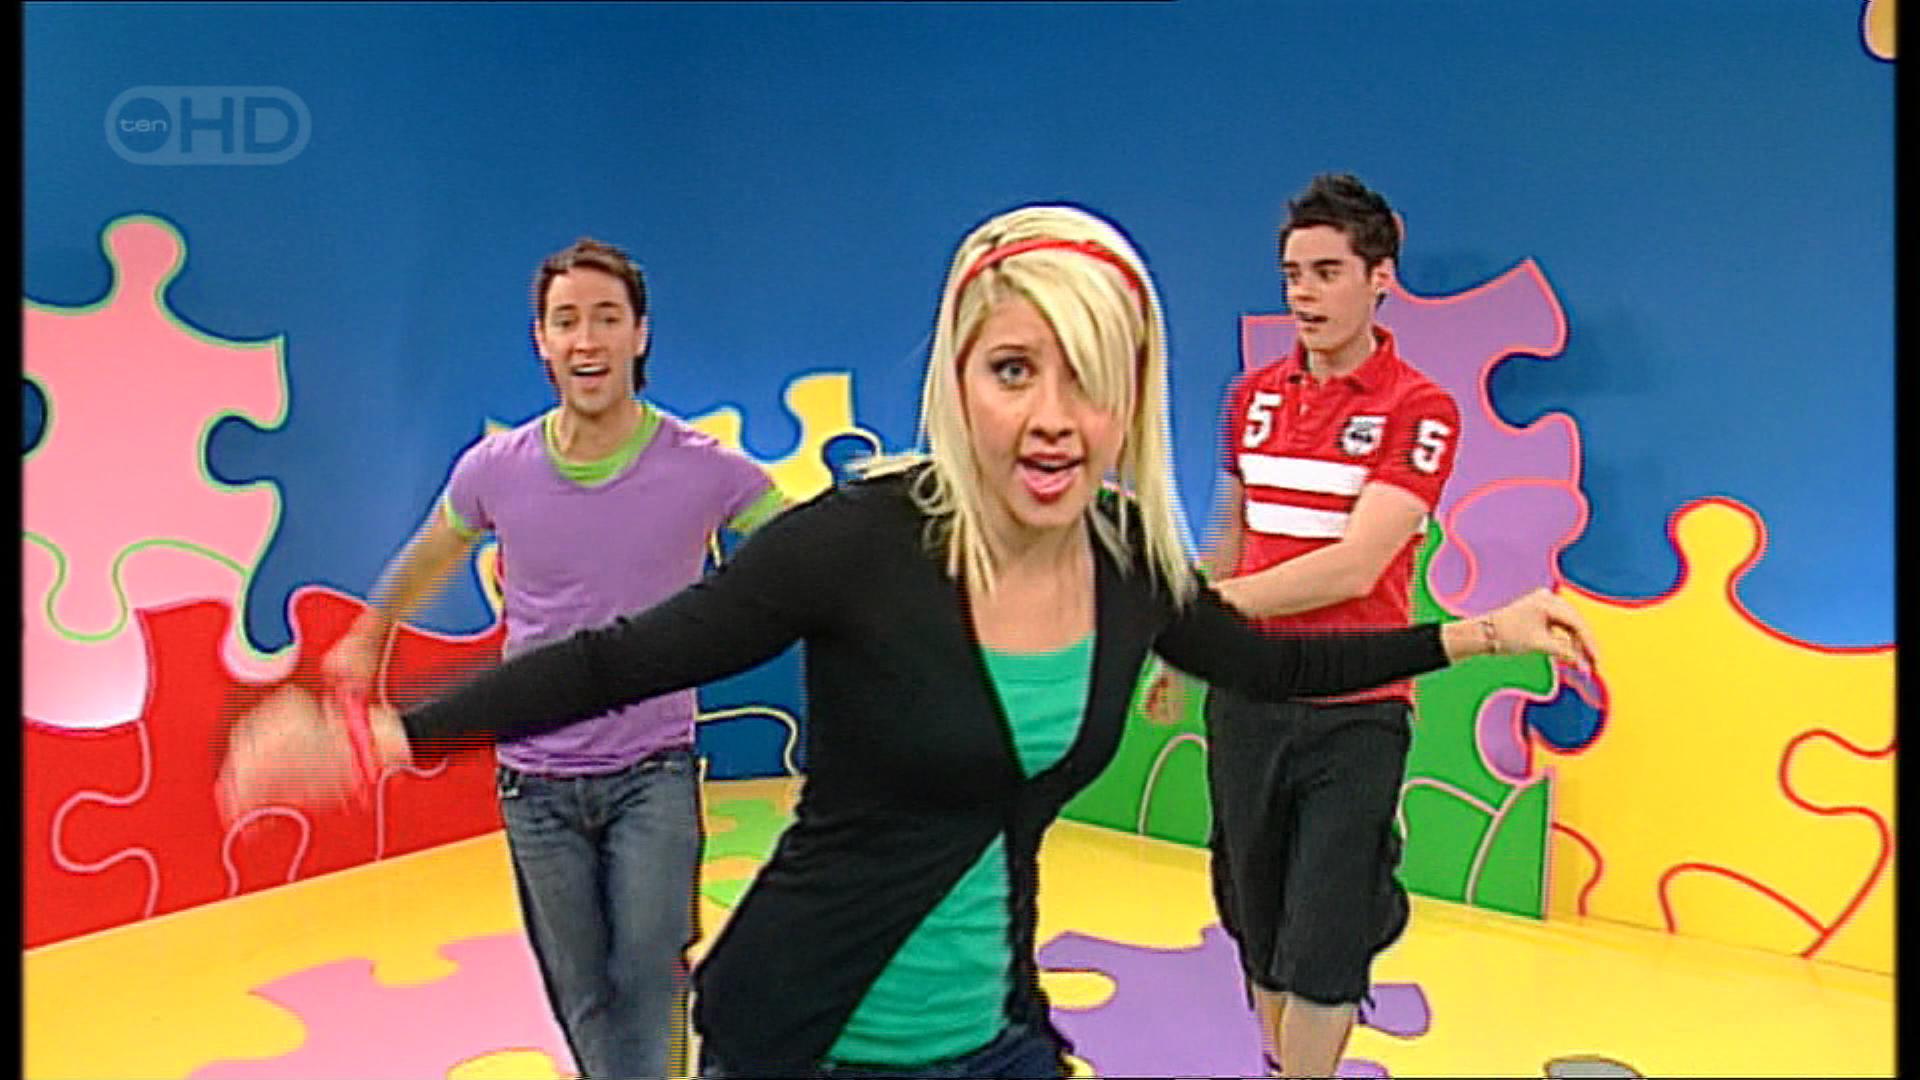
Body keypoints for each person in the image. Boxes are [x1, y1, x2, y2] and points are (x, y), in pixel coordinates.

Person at [218, 204, 1595, 1080]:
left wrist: (1479, 632)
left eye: (1091, 380)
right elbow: (618, 660)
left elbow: (1274, 661)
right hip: (805, 1037)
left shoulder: (1129, 558)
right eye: (1014, 370)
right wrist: (384, 734)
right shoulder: (862, 543)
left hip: (994, 1037)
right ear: (958, 379)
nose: (1052, 418)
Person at [313, 238, 786, 1080]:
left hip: (653, 773)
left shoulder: (704, 470)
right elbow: (430, 555)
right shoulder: (495, 470)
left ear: (640, 334)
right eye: (566, 321)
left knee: (650, 972)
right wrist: (368, 637)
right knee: (581, 988)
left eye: (606, 319)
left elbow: (804, 543)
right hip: (534, 784)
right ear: (542, 340)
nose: (586, 340)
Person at [1144, 172, 1466, 1078]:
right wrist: (1186, 648)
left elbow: (1356, 566)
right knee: (1256, 913)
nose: (1304, 294)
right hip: (1248, 697)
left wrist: (1208, 613)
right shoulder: (1250, 397)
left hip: (1357, 707)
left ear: (1379, 278)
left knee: (1327, 929)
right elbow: (1230, 536)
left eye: (1327, 272)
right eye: (1293, 275)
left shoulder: (1420, 409)